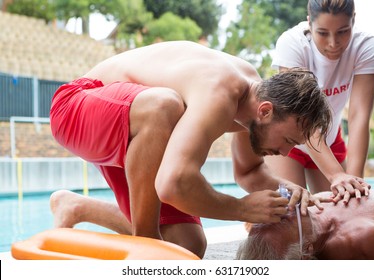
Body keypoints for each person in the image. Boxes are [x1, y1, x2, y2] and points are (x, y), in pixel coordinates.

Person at [49, 40, 332, 259]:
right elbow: (172, 183)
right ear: (266, 111)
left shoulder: (254, 101)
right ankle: (146, 242)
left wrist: (291, 190)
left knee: (188, 245)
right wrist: (240, 208)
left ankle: (76, 206)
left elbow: (249, 172)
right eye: (288, 141)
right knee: (164, 106)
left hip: (133, 131)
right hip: (77, 104)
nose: (285, 153)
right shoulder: (220, 91)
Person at [265, 0, 374, 202]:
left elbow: (358, 117)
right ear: (309, 22)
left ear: (353, 20)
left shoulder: (365, 46)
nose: (333, 43)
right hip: (287, 140)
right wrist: (336, 175)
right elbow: (302, 119)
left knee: (349, 209)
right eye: (322, 33)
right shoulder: (293, 44)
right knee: (295, 218)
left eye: (343, 31)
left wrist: (354, 182)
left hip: (329, 138)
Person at [236, 189, 374, 260]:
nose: (282, 209)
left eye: (264, 220)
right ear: (307, 249)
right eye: (284, 220)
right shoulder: (361, 237)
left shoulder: (308, 206)